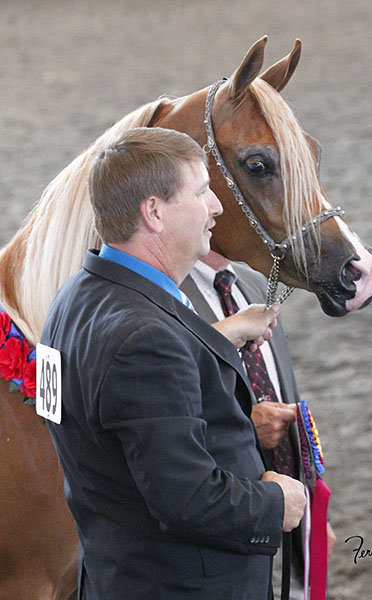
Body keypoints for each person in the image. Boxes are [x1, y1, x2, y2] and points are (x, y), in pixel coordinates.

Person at [41, 127, 306, 599]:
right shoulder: (145, 342)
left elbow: (101, 420)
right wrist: (275, 503)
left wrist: (219, 335)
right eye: (202, 192)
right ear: (154, 212)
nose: (217, 206)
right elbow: (186, 499)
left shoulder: (72, 300)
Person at [181, 252, 337, 599]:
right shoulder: (172, 300)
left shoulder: (252, 285)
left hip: (285, 508)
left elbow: (285, 389)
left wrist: (315, 513)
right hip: (228, 517)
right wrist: (246, 425)